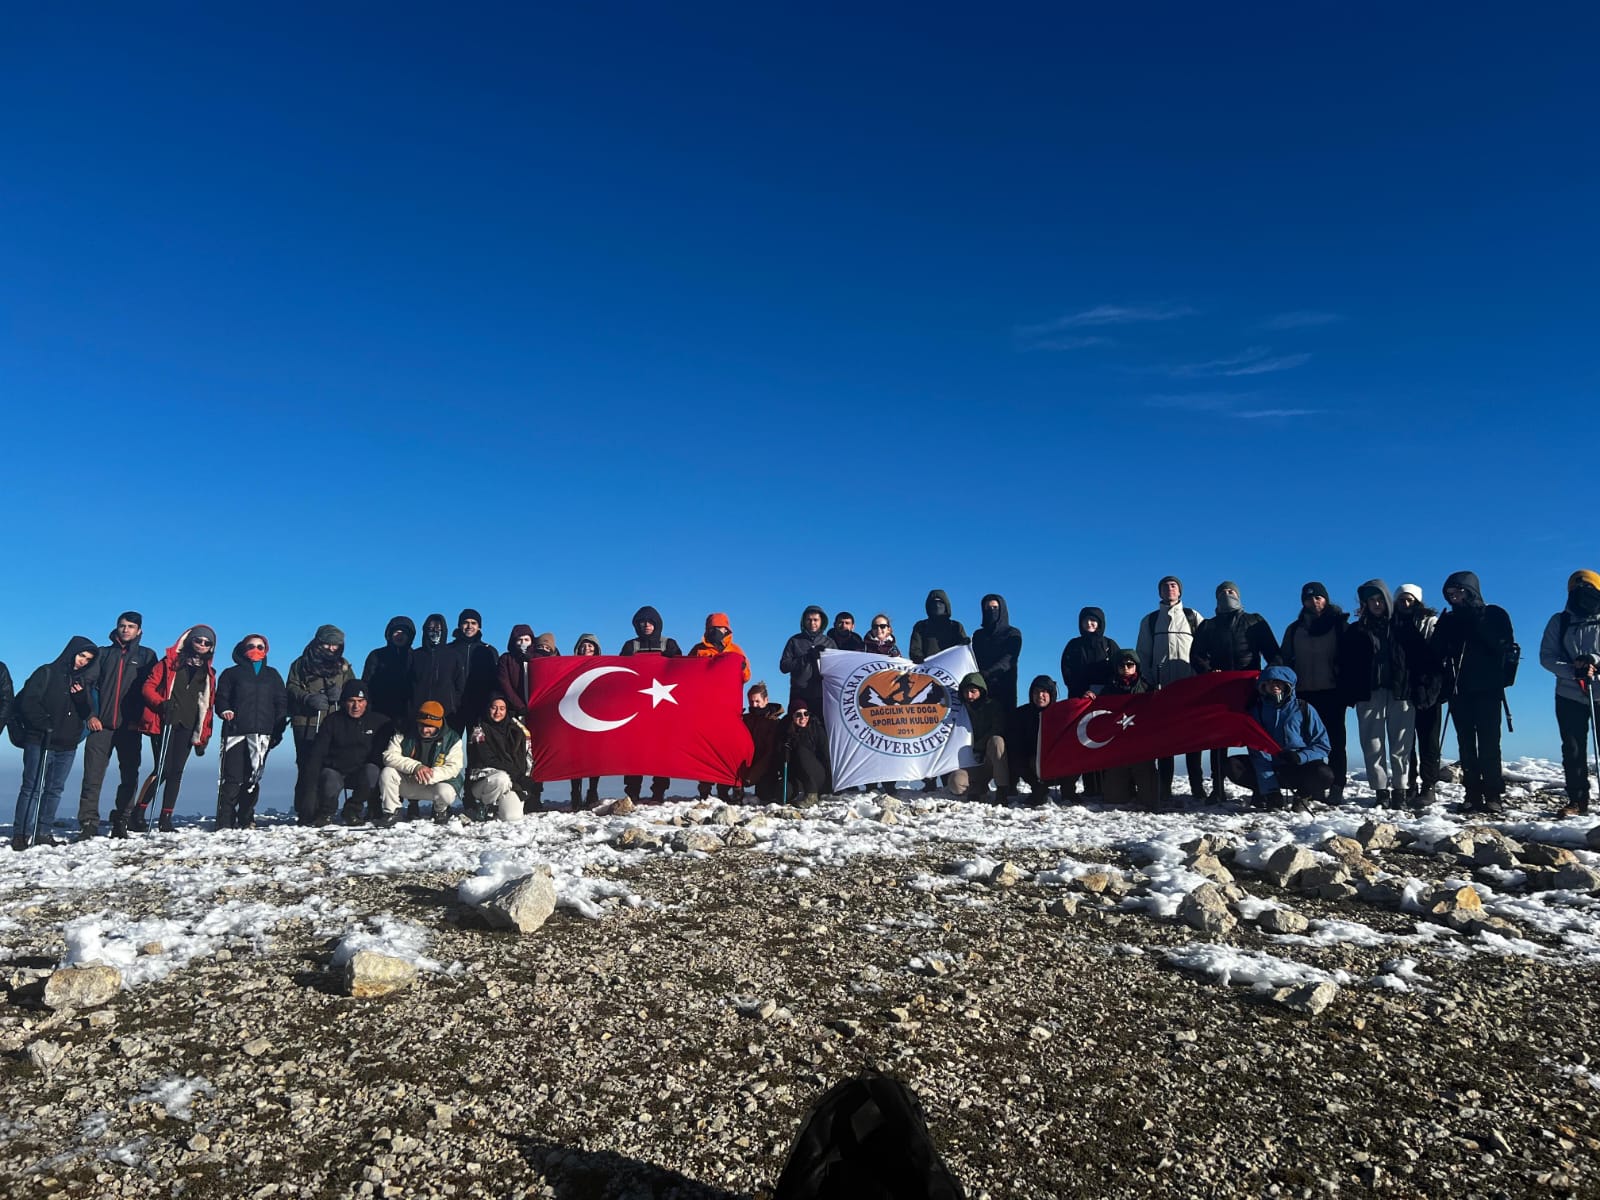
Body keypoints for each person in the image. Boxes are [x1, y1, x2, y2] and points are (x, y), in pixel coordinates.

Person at [1434, 571, 1516, 814]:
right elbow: (1437, 652)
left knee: (1490, 743)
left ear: (1471, 590)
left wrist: (1475, 621)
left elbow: (1503, 645)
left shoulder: (1494, 614)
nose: (1454, 597)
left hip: (1489, 688)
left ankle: (1493, 794)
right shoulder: (1449, 620)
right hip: (1460, 689)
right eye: (1450, 594)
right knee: (1466, 744)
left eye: (1458, 592)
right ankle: (1471, 793)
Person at [1191, 582, 1281, 801]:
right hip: (1221, 690)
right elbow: (1196, 655)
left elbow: (1273, 653)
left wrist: (1272, 680)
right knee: (1218, 741)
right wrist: (1210, 671)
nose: (1227, 595)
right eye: (1222, 592)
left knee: (1255, 737)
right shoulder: (1208, 626)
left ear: (1239, 596)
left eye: (1231, 591)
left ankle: (1263, 787)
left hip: (1252, 688)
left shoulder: (1255, 621)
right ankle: (1218, 786)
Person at [124, 625, 218, 835]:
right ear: (189, 641)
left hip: (188, 724)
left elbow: (207, 705)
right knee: (163, 769)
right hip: (164, 721)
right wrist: (161, 703)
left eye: (207, 643)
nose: (202, 645)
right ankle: (138, 814)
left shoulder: (209, 672)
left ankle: (165, 818)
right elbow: (148, 687)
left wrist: (204, 736)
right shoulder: (168, 664)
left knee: (176, 772)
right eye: (198, 641)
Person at [75, 611, 158, 840]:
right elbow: (85, 683)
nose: (126, 629)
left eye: (131, 626)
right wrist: (90, 715)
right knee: (92, 776)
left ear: (139, 630)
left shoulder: (147, 656)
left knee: (129, 776)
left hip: (130, 728)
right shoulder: (103, 654)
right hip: (100, 726)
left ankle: (121, 820)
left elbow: (150, 690)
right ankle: (89, 823)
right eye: (122, 625)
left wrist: (140, 720)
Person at [10, 637, 97, 849]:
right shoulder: (46, 672)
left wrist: (80, 699)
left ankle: (43, 832)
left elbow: (86, 712)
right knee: (32, 787)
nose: (83, 662)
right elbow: (27, 702)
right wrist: (44, 724)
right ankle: (20, 833)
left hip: (67, 744)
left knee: (55, 789)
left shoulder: (81, 681)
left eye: (88, 660)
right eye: (81, 656)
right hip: (40, 740)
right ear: (71, 652)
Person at [1342, 581, 1414, 807]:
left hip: (1400, 691)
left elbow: (1420, 659)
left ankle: (1400, 791)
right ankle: (1381, 792)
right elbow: (1344, 664)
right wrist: (1350, 692)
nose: (1376, 603)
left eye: (1380, 599)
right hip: (1369, 693)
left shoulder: (1403, 627)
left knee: (1401, 743)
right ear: (1365, 603)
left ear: (1387, 600)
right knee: (1372, 743)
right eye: (1371, 600)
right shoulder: (1356, 630)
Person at [1223, 665, 1335, 810]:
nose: (1274, 685)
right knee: (1233, 765)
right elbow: (1257, 752)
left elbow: (1322, 745)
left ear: (1288, 685)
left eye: (1279, 682)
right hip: (1268, 766)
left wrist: (1300, 757)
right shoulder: (1256, 712)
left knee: (1324, 774)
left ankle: (1302, 796)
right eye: (1269, 682)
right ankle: (1265, 793)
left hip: (1297, 766)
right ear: (1263, 685)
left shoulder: (1304, 709)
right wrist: (1271, 790)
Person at [1278, 582, 1351, 803]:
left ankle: (1337, 785)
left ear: (1326, 599)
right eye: (1309, 599)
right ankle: (1313, 787)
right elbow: (1284, 659)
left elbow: (1352, 659)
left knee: (1336, 742)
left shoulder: (1339, 626)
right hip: (1303, 696)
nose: (1314, 602)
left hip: (1332, 692)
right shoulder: (1294, 629)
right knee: (1306, 742)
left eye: (1318, 597)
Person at [1136, 576, 1206, 802]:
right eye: (1165, 586)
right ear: (1159, 592)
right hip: (1162, 687)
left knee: (1194, 739)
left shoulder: (1193, 617)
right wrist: (1148, 681)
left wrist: (1201, 677)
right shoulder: (1150, 620)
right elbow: (1143, 654)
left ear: (1180, 591)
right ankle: (1164, 787)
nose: (1169, 589)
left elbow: (1205, 650)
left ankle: (1197, 787)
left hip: (1189, 687)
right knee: (1165, 740)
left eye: (1173, 586)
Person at [1540, 570, 1600, 817]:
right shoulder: (1560, 621)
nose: (1581, 595)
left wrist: (1594, 661)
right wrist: (1573, 671)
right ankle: (1577, 800)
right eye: (1576, 590)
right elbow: (1547, 657)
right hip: (1569, 693)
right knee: (1573, 749)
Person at [213, 634, 288, 830]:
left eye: (260, 647)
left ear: (266, 650)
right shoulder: (231, 674)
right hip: (235, 732)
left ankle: (246, 818)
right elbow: (221, 697)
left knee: (253, 778)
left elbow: (281, 702)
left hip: (262, 734)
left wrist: (277, 730)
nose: (256, 650)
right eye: (251, 646)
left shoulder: (272, 675)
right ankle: (224, 820)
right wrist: (224, 710)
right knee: (232, 778)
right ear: (242, 649)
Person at [287, 625, 354, 823]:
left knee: (330, 766)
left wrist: (342, 695)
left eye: (336, 645)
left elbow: (354, 687)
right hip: (306, 721)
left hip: (333, 720)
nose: (332, 648)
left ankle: (325, 810)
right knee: (307, 765)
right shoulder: (301, 664)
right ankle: (305, 810)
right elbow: (291, 687)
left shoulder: (344, 666)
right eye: (328, 643)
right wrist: (307, 698)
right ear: (318, 642)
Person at [301, 679, 390, 827]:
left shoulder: (380, 722)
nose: (356, 706)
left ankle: (352, 810)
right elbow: (317, 754)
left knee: (373, 771)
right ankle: (326, 813)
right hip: (337, 771)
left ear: (366, 702)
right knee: (329, 776)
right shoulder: (332, 721)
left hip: (362, 774)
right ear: (344, 702)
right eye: (351, 701)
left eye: (361, 701)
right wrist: (309, 793)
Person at [620, 605, 683, 802]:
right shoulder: (630, 646)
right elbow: (620, 672)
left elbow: (683, 669)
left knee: (661, 750)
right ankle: (632, 792)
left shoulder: (669, 644)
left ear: (657, 624)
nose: (646, 625)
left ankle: (659, 792)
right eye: (642, 622)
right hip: (637, 708)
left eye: (650, 622)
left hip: (663, 709)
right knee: (634, 751)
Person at [1059, 606, 1120, 801]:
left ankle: (1105, 786)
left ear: (1101, 623)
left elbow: (1117, 671)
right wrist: (1082, 691)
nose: (1089, 624)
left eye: (1094, 621)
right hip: (1079, 700)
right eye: (1086, 621)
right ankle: (1088, 786)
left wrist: (1099, 691)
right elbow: (1067, 671)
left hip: (1105, 700)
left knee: (1104, 742)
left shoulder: (1110, 645)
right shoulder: (1073, 645)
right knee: (1083, 741)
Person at [1089, 649, 1161, 808]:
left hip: (1142, 751)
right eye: (1122, 665)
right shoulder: (1108, 690)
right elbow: (1097, 714)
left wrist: (1159, 696)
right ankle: (1126, 784)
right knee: (1114, 798)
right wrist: (1089, 699)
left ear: (1137, 666)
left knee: (1150, 800)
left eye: (1130, 664)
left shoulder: (1148, 688)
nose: (1126, 668)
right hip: (1117, 752)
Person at [692, 613, 751, 801]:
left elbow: (746, 676)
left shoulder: (736, 650)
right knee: (706, 750)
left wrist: (741, 667)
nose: (718, 632)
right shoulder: (698, 650)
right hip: (705, 709)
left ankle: (726, 788)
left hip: (728, 708)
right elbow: (687, 675)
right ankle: (705, 789)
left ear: (727, 629)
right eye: (713, 628)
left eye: (721, 628)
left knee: (727, 749)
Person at [1394, 584, 1444, 807]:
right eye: (1402, 600)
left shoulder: (1431, 623)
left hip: (1429, 689)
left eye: (1409, 600)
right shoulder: (1392, 624)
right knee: (1406, 742)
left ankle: (1429, 786)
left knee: (1429, 741)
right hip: (1404, 689)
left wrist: (1433, 687)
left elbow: (1437, 657)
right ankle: (1410, 784)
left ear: (1417, 601)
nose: (1405, 604)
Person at [379, 700, 465, 826]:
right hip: (410, 779)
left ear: (439, 724)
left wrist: (430, 774)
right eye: (422, 725)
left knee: (446, 793)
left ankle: (440, 810)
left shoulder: (452, 739)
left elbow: (454, 767)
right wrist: (416, 767)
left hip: (435, 783)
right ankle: (391, 812)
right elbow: (389, 756)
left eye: (430, 726)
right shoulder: (404, 732)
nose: (425, 730)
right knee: (387, 773)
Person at [465, 694, 532, 822]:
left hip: (512, 782)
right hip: (485, 781)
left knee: (511, 816)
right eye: (494, 708)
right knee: (501, 779)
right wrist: (518, 775)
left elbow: (527, 757)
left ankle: (499, 806)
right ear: (488, 708)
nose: (498, 712)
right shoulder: (478, 731)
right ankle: (484, 805)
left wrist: (525, 780)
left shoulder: (517, 730)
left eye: (502, 708)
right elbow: (488, 759)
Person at [947, 672, 1012, 803]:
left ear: (981, 691)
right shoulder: (957, 710)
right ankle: (977, 789)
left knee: (997, 741)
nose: (969, 696)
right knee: (956, 783)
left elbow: (997, 728)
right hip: (967, 762)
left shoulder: (993, 707)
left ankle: (1002, 790)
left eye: (973, 691)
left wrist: (978, 746)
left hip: (990, 760)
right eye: (966, 692)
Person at [409, 613, 466, 732]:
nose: (434, 632)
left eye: (438, 629)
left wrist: (453, 706)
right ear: (425, 631)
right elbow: (407, 684)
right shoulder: (415, 655)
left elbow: (459, 687)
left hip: (446, 714)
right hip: (419, 714)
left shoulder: (453, 656)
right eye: (430, 629)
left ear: (444, 631)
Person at [1009, 674, 1061, 804]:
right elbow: (1016, 744)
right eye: (1036, 692)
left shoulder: (1062, 712)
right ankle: (1037, 788)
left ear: (1051, 694)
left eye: (1044, 692)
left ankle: (1069, 790)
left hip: (1057, 761)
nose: (1040, 695)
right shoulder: (1021, 714)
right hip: (1031, 762)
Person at [780, 605, 835, 716]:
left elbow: (837, 668)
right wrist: (806, 658)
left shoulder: (829, 643)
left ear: (821, 621)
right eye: (809, 620)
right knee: (796, 728)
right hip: (799, 693)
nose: (812, 623)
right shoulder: (795, 641)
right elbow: (784, 666)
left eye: (815, 620)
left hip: (821, 694)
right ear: (804, 621)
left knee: (819, 729)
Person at [971, 593, 1022, 712]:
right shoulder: (978, 636)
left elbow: (1009, 659)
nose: (991, 611)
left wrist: (989, 673)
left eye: (995, 608)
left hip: (1004, 688)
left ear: (1002, 610)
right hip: (981, 688)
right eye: (988, 608)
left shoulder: (1012, 633)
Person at [450, 608, 500, 731]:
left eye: (473, 623)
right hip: (453, 708)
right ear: (460, 625)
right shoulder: (449, 650)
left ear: (479, 626)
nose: (469, 626)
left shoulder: (488, 651)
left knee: (477, 747)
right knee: (448, 747)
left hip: (479, 708)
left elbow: (495, 681)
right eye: (466, 622)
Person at [361, 616, 416, 726]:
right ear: (389, 635)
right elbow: (365, 685)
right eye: (396, 632)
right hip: (378, 711)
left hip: (406, 715)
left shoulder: (415, 657)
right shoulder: (376, 655)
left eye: (404, 633)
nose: (400, 636)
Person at [569, 634, 603, 808]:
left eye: (591, 646)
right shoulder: (568, 667)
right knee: (576, 756)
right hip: (574, 716)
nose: (587, 649)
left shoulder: (604, 666)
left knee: (594, 756)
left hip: (596, 717)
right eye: (584, 646)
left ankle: (592, 791)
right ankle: (575, 792)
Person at [741, 681, 787, 803]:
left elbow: (770, 752)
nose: (754, 705)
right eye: (751, 702)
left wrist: (751, 777)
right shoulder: (745, 719)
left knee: (765, 796)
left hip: (766, 766)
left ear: (766, 700)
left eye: (757, 701)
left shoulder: (774, 723)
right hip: (747, 763)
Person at [784, 699, 830, 806]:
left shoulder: (816, 729)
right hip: (798, 776)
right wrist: (784, 753)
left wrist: (829, 784)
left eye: (806, 713)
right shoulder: (786, 732)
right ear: (792, 716)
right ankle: (794, 795)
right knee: (783, 791)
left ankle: (812, 795)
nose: (803, 717)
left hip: (817, 775)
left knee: (801, 751)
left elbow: (826, 756)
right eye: (798, 714)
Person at [908, 590, 968, 664]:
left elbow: (963, 648)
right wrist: (919, 659)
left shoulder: (956, 626)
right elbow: (915, 649)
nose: (937, 606)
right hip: (928, 668)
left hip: (951, 667)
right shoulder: (921, 626)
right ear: (929, 606)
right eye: (933, 603)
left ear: (946, 605)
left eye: (940, 603)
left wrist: (965, 642)